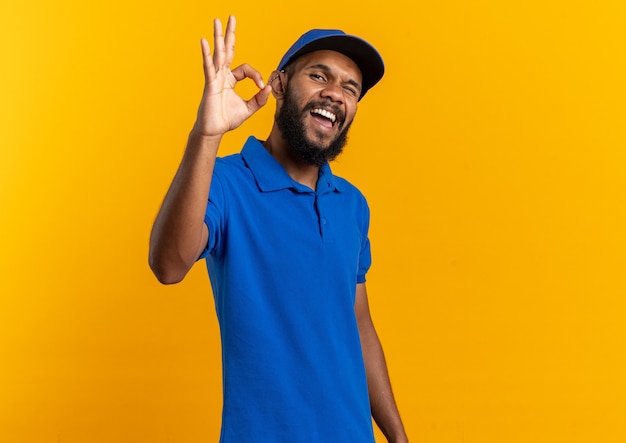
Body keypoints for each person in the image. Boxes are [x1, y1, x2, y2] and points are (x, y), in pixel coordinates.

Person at [149, 16, 408, 443]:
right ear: (280, 84)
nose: (334, 93)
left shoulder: (352, 205)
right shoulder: (226, 182)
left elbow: (358, 323)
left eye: (350, 88)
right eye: (319, 75)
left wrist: (397, 437)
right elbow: (168, 265)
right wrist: (206, 136)